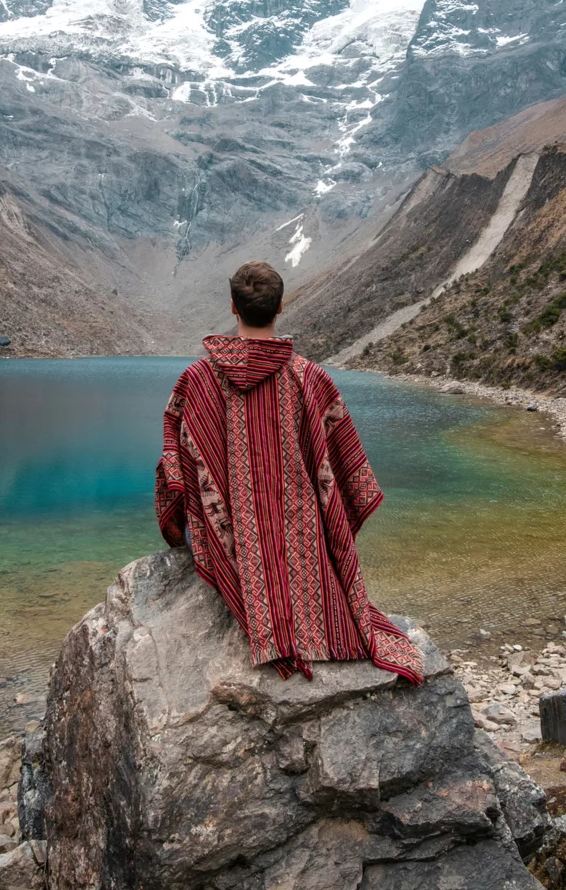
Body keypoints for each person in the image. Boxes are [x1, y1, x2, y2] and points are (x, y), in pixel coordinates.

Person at [155, 259, 423, 685]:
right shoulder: (310, 378)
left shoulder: (196, 380)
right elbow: (347, 464)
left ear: (232, 307)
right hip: (302, 533)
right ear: (280, 309)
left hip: (229, 537)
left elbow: (175, 459)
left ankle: (258, 607)